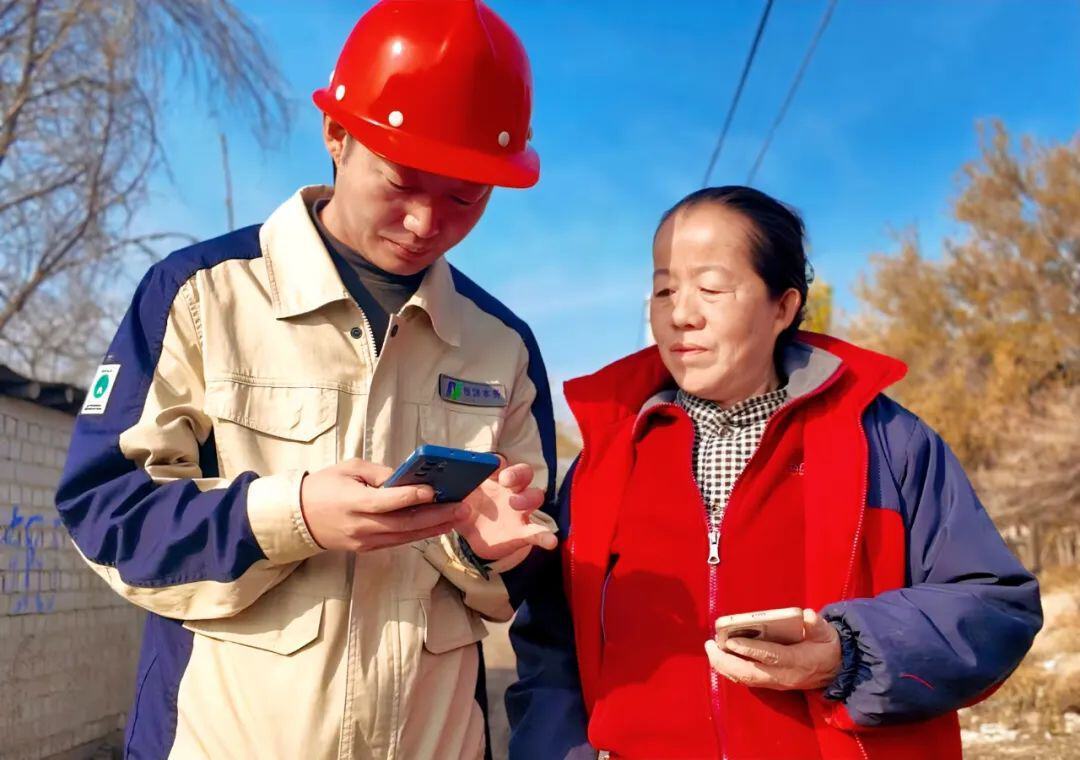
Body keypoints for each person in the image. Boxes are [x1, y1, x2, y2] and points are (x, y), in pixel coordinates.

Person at [56, 2, 557, 758]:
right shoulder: (200, 296)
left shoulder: (502, 347)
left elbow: (527, 573)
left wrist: (491, 552)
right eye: (403, 182)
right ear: (337, 136)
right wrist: (288, 517)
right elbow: (105, 513)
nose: (425, 222)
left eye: (465, 197)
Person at [506, 186, 1042, 759]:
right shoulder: (606, 458)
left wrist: (849, 650)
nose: (681, 314)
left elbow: (994, 603)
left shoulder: (886, 444)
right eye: (664, 289)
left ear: (782, 307)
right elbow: (551, 643)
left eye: (711, 288)